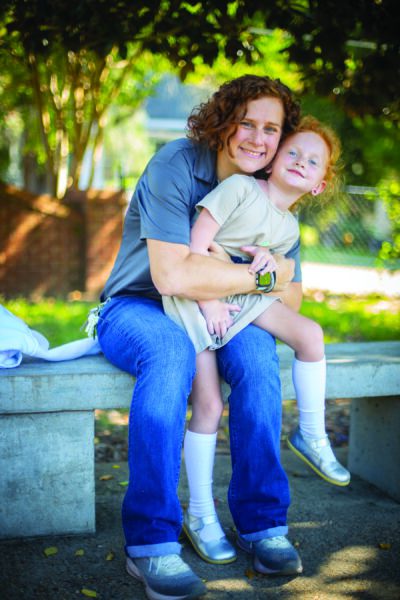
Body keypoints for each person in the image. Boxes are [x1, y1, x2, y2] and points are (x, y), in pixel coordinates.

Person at [95, 74, 303, 600]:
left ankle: (263, 525)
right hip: (138, 307)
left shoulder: (273, 190)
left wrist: (261, 280)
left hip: (224, 311)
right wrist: (261, 276)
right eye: (247, 123)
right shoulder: (177, 164)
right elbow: (172, 278)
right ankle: (151, 544)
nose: (258, 139)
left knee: (258, 359)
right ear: (223, 120)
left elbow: (291, 300)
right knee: (170, 353)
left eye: (271, 129)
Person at [163, 115, 350, 566]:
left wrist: (268, 261)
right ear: (272, 161)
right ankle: (202, 513)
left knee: (309, 334)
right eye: (293, 152)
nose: (301, 162)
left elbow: (276, 283)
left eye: (313, 161)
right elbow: (194, 245)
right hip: (197, 302)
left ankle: (311, 434)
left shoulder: (288, 230)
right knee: (208, 404)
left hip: (242, 302)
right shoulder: (241, 190)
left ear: (320, 185)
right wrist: (209, 301)